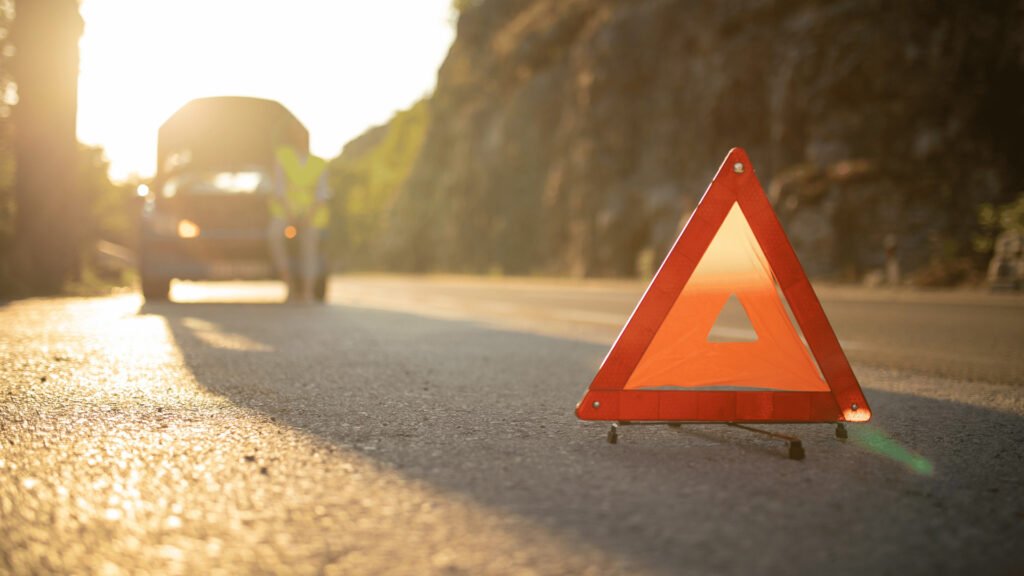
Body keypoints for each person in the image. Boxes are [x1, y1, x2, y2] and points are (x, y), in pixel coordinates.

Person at [267, 145, 330, 302]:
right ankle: (291, 289)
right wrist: (291, 217)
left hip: (310, 215)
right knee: (275, 236)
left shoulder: (319, 163)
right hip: (286, 213)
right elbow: (279, 190)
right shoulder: (283, 157)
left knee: (310, 248)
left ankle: (307, 293)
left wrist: (307, 218)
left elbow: (321, 194)